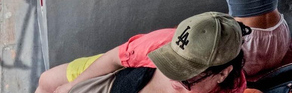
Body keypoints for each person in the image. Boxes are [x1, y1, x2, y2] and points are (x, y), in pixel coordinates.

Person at [35, 11, 247, 93]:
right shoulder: (162, 41)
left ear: (223, 73)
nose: (173, 77)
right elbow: (114, 58)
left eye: (186, 79)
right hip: (113, 80)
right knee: (47, 82)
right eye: (169, 61)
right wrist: (72, 86)